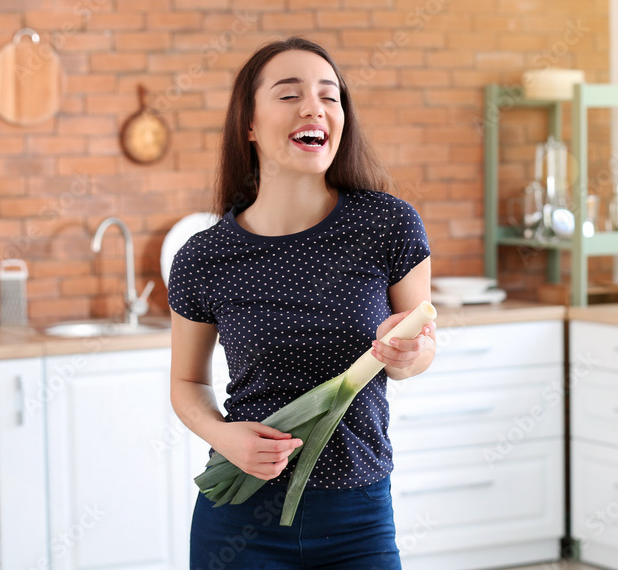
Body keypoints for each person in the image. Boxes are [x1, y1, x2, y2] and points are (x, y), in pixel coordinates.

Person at [168, 37, 435, 569]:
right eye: (289, 95)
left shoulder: (387, 225)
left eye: (329, 96)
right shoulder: (204, 257)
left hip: (357, 513)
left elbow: (421, 347)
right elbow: (186, 383)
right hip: (240, 511)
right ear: (248, 123)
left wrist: (412, 355)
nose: (314, 106)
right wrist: (223, 435)